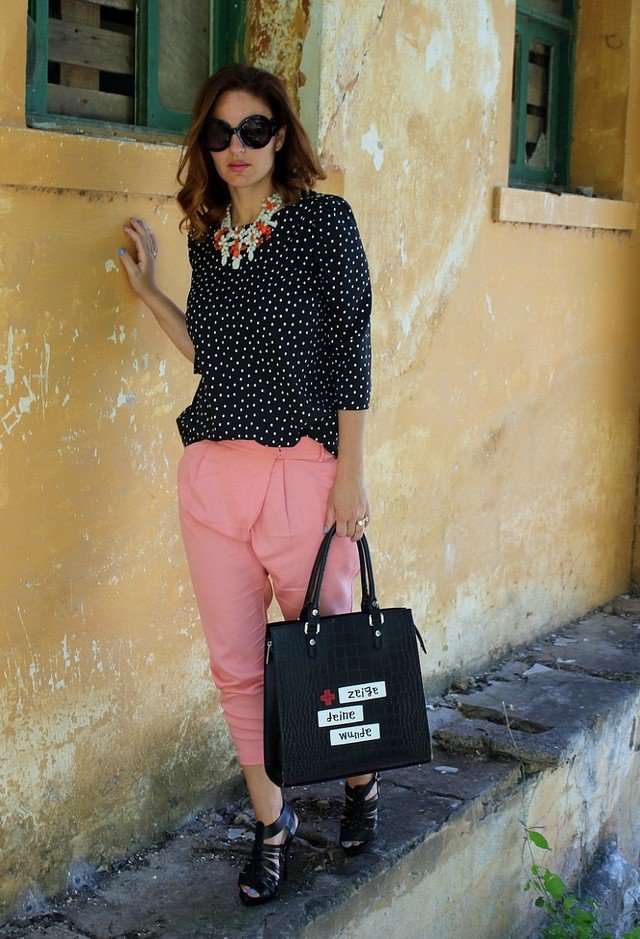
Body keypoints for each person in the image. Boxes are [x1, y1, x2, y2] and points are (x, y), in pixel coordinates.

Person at [118, 63, 376, 906]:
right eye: (220, 133)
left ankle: (361, 783)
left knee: (335, 647)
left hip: (306, 475)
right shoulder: (207, 238)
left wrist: (351, 477)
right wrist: (152, 292)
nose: (237, 147)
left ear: (281, 135)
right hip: (213, 480)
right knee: (236, 666)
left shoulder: (324, 224)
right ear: (205, 143)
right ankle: (272, 824)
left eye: (254, 130)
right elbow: (215, 358)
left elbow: (352, 354)